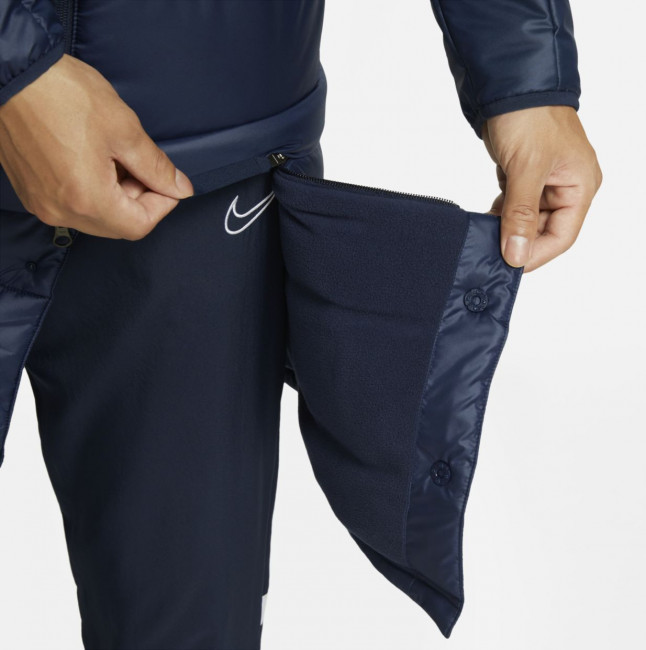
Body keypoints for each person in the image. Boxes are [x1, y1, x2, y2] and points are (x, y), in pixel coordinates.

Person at [0, 1, 602, 648]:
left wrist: (524, 69)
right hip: (206, 144)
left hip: (208, 165)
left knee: (188, 629)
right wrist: (15, 68)